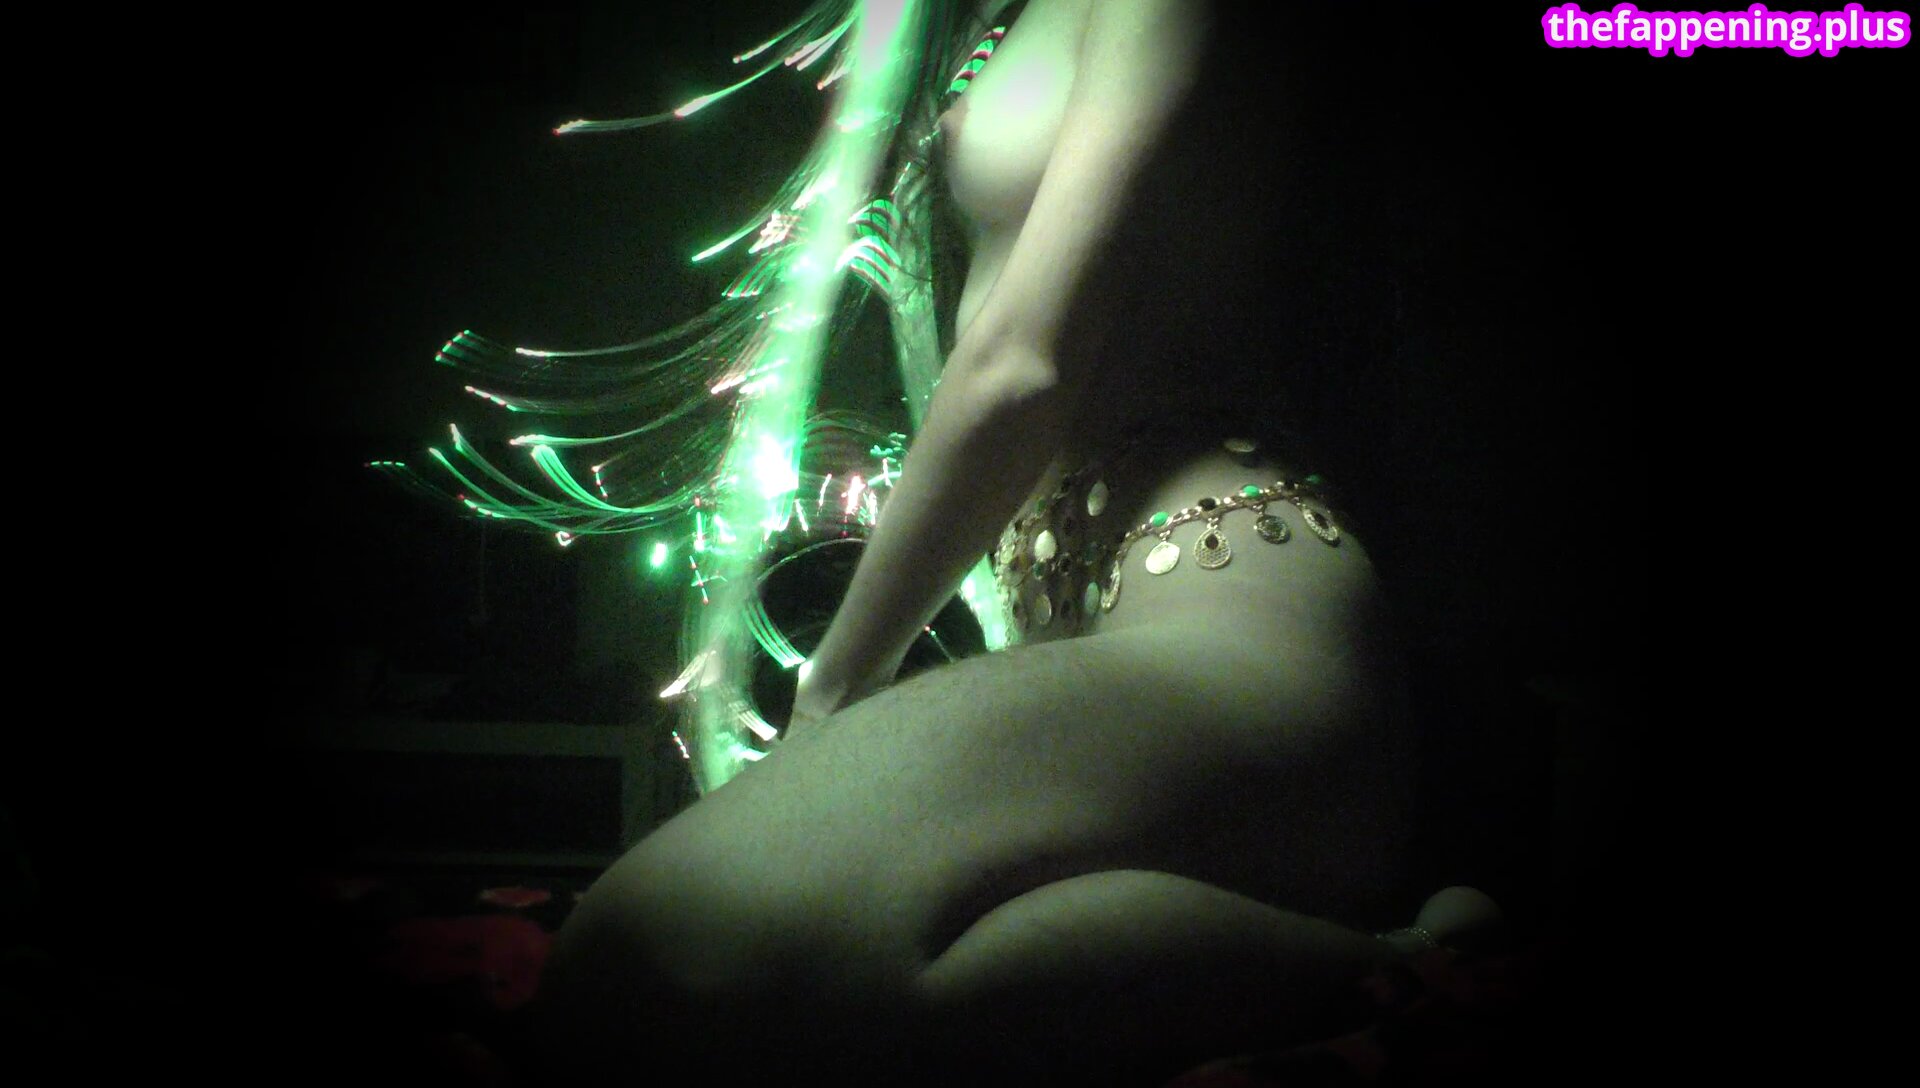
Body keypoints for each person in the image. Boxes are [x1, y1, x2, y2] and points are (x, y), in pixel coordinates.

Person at [520, 0, 1501, 1081]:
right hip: (1130, 660)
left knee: (647, 947)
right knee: (736, 993)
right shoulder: (995, 16)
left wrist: (833, 692)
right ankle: (1399, 957)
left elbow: (1025, 361)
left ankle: (1402, 964)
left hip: (1240, 627)